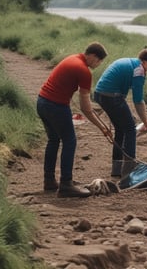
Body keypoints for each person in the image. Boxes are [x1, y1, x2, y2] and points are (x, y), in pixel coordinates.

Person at [37, 42, 109, 198]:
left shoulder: (73, 58)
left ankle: (49, 180)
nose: (98, 65)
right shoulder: (84, 71)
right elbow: (86, 108)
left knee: (54, 140)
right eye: (99, 61)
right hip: (55, 105)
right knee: (70, 141)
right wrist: (101, 127)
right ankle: (66, 185)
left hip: (42, 101)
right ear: (93, 56)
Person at [94, 48, 147, 178]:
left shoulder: (130, 62)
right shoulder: (139, 70)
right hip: (111, 96)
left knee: (120, 129)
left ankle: (117, 169)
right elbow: (138, 101)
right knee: (130, 128)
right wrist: (146, 123)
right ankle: (129, 170)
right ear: (145, 62)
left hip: (99, 94)